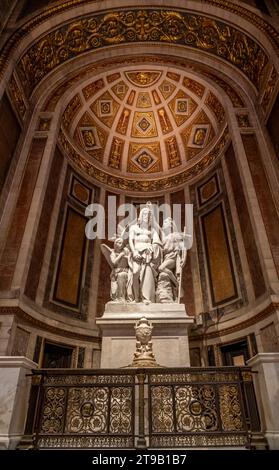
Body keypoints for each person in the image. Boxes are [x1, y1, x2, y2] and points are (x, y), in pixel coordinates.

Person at [128, 202, 161, 303]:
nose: (147, 216)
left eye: (149, 215)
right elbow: (130, 240)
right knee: (135, 272)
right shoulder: (133, 228)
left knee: (146, 273)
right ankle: (136, 297)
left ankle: (145, 297)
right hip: (136, 252)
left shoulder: (152, 230)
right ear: (141, 215)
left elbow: (157, 242)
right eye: (145, 214)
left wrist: (151, 249)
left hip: (147, 256)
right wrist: (134, 252)